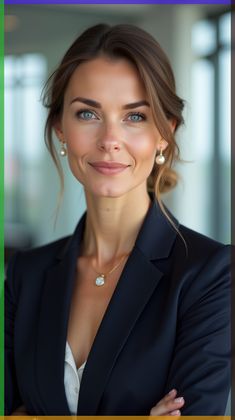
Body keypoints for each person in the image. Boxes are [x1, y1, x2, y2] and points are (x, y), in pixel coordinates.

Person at [5, 23, 231, 416]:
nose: (110, 139)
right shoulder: (26, 275)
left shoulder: (209, 275)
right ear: (61, 129)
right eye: (88, 112)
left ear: (165, 132)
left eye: (135, 117)